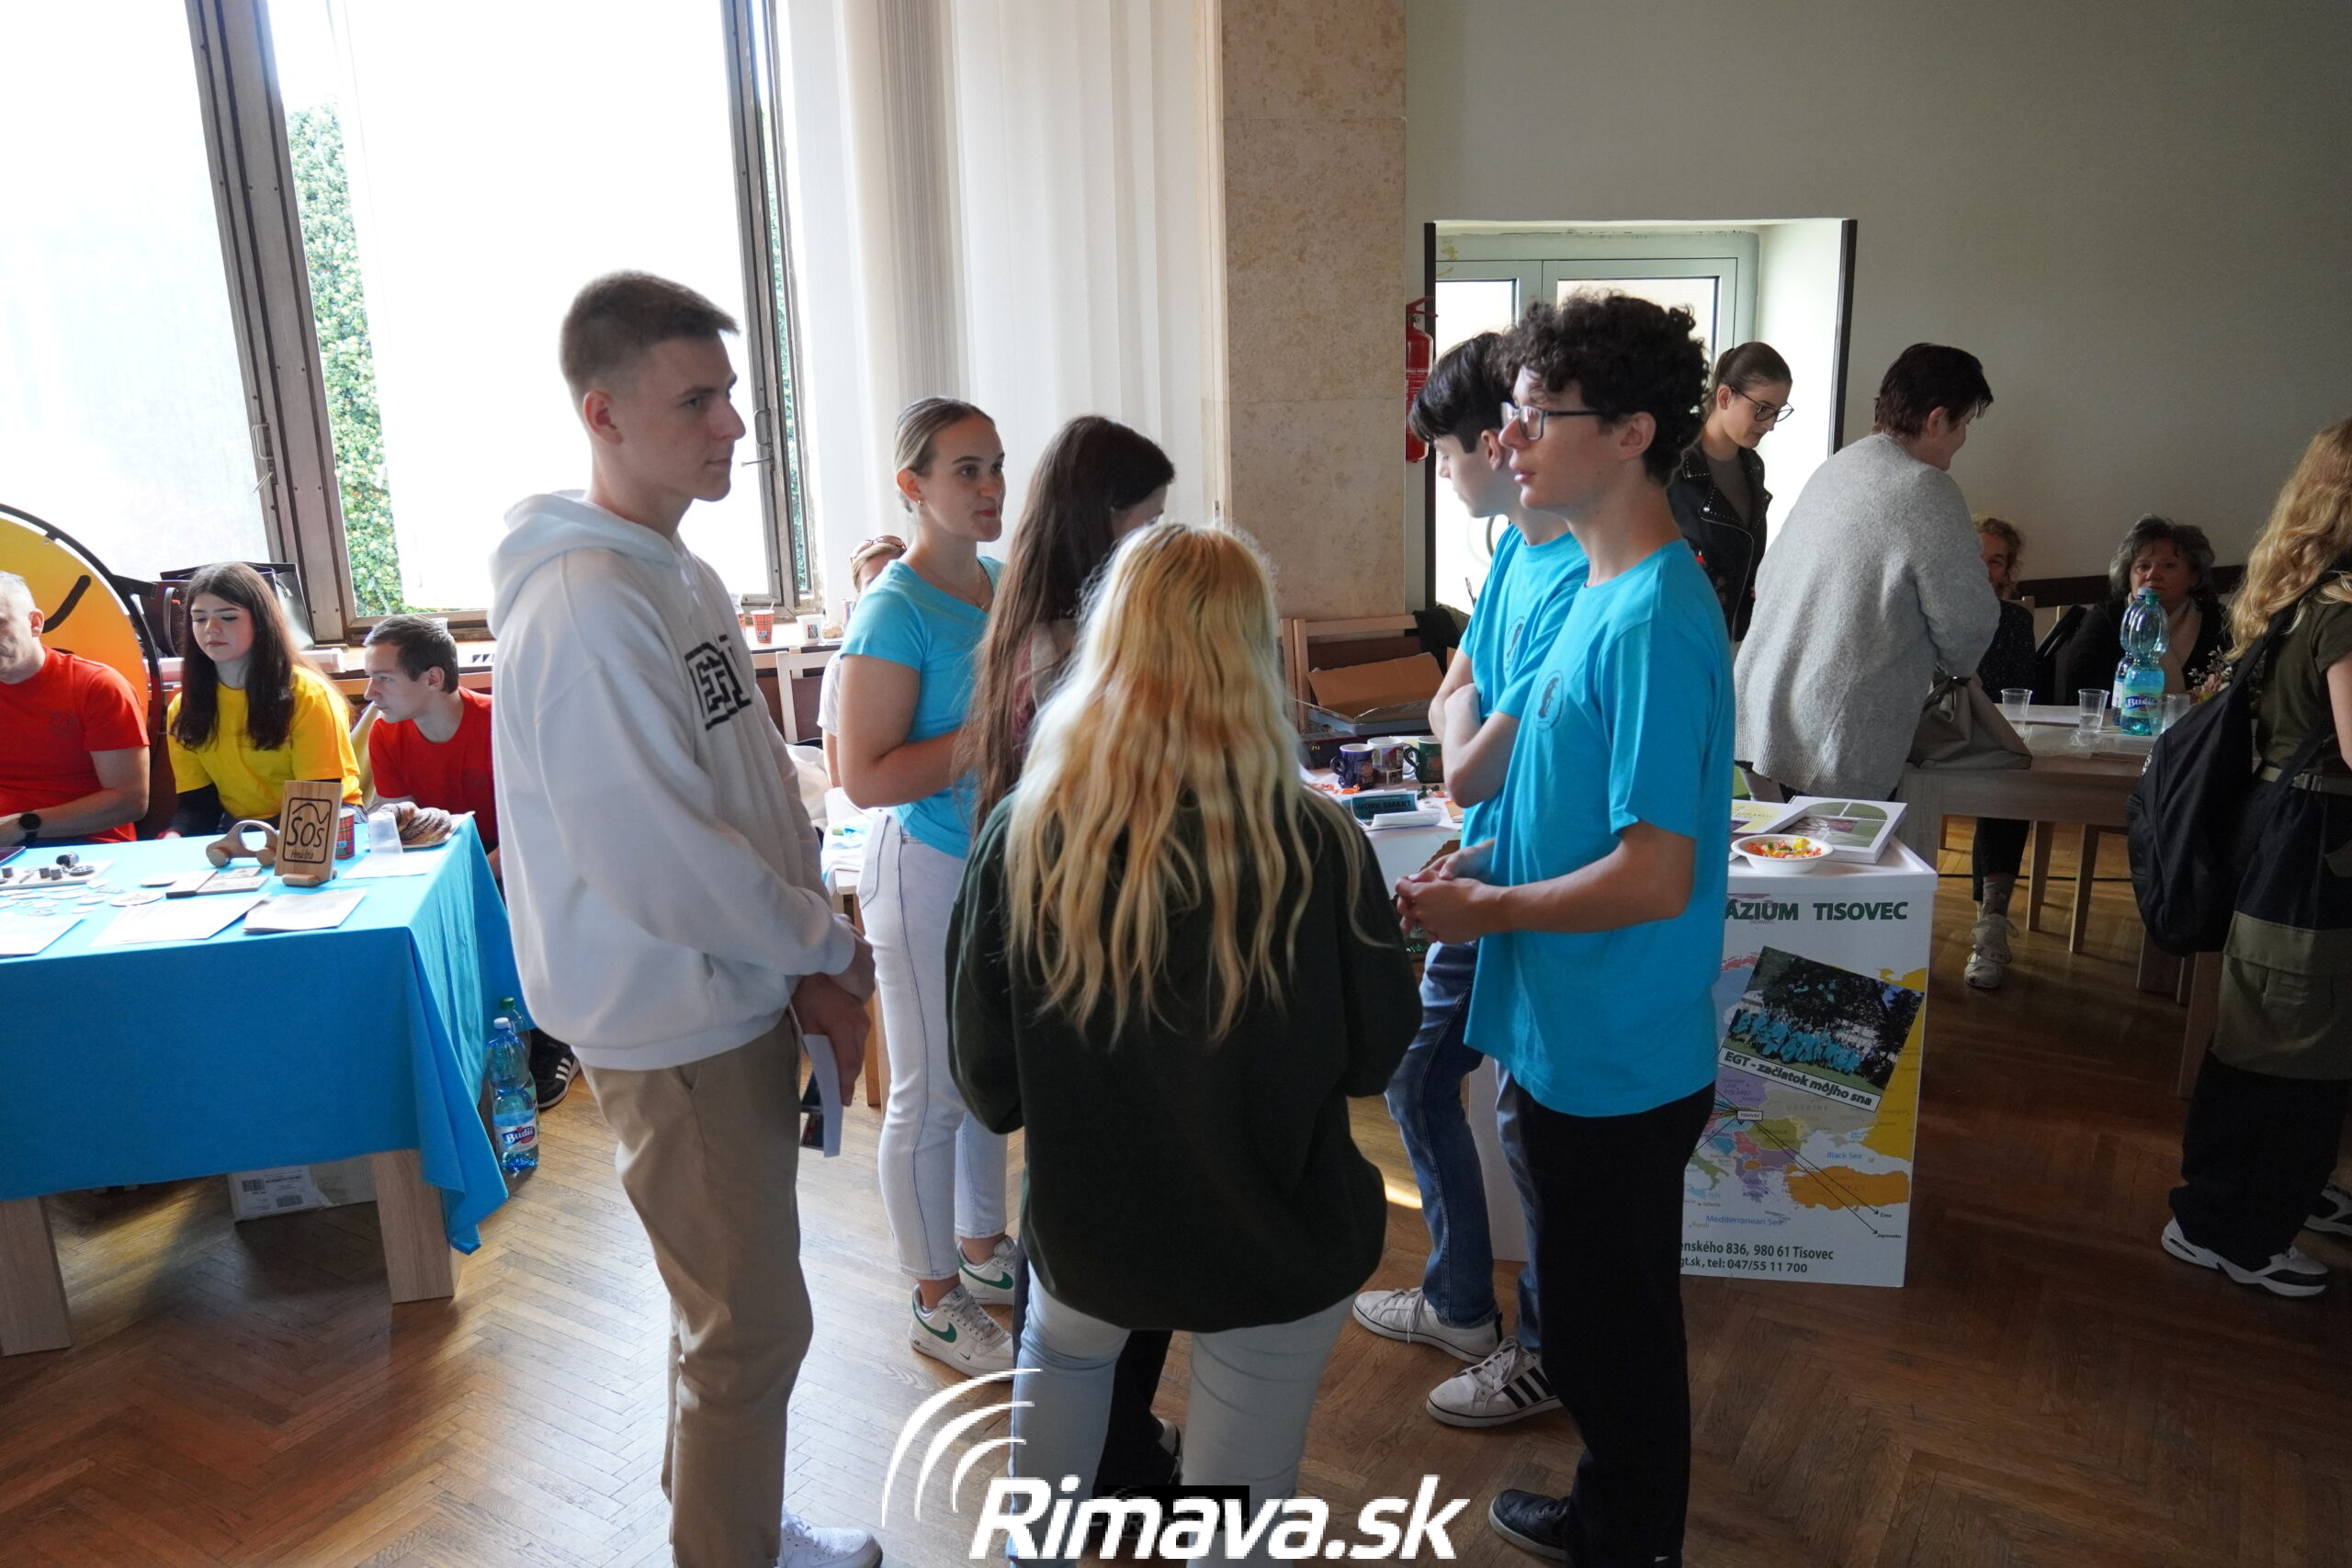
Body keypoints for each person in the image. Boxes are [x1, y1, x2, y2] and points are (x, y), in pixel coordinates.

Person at [487, 271, 880, 1568]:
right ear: (601, 413)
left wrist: (808, 937)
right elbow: (658, 858)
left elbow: (744, 780)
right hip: (676, 1013)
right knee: (752, 1324)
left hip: (731, 987)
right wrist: (824, 944)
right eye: (696, 400)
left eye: (731, 396)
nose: (731, 427)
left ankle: (729, 1521)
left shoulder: (672, 569)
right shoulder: (585, 601)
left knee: (719, 1304)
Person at [951, 521, 1416, 1564]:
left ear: (1109, 647)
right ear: (1251, 655)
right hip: (1276, 1237)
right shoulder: (1320, 844)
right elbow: (1372, 1061)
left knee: (1058, 1407)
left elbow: (988, 1086)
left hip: (1092, 1236)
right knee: (1237, 1518)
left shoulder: (1023, 837)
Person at [1398, 293, 1729, 1566]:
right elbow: (1571, 809)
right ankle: (1613, 1511)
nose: (1510, 440)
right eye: (1512, 414)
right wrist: (1488, 860)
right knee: (1591, 1317)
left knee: (1613, 1327)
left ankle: (1628, 1534)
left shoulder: (1652, 616)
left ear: (1633, 432)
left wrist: (1488, 907)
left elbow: (1653, 873)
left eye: (1540, 416)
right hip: (1564, 1025)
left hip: (1616, 1047)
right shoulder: (1593, 585)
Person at [1352, 333, 1584, 1431]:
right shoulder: (1515, 558)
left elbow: (1465, 757)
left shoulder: (1581, 575)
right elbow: (1454, 694)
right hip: (1488, 859)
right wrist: (1463, 718)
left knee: (1528, 1123)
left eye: (1447, 455)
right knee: (1425, 1078)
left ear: (1499, 442)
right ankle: (1460, 1303)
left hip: (1536, 879)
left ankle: (1536, 1344)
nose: (1447, 476)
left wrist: (1463, 723)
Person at [961, 413, 1181, 1506]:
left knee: (1080, 1229)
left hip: (1066, 959)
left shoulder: (1032, 623)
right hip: (1101, 961)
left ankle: (1094, 1452)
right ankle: (1111, 1460)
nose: (1158, 538)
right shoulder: (1076, 651)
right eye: (1148, 518)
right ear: (1105, 520)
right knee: (1121, 1245)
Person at [834, 397, 1017, 1374]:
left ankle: (982, 1249)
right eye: (965, 470)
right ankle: (934, 1299)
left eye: (996, 466)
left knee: (985, 1074)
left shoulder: (999, 582)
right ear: (912, 486)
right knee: (930, 1091)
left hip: (998, 862)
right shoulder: (893, 609)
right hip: (924, 866)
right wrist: (988, 735)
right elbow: (862, 777)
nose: (990, 488)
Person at [2165, 417, 2352, 1299]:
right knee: (2291, 1036)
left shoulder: (2303, 591)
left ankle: (2269, 1195)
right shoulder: (2344, 610)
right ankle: (2227, 1226)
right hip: (2313, 849)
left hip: (2289, 838)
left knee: (2280, 1026)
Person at [1735, 344, 2000, 802]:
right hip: (1830, 739)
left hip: (1758, 716)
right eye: (1964, 425)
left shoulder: (1838, 466)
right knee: (1843, 851)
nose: (1962, 440)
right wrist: (1959, 664)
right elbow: (1967, 625)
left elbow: (1768, 575)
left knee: (1782, 848)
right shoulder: (1926, 488)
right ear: (1937, 420)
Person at [362, 615, 579, 1109]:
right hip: (450, 855)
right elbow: (405, 825)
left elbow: (541, 830)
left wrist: (471, 877)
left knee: (524, 898)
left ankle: (555, 1034)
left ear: (432, 678)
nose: (371, 693)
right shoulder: (386, 734)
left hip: (523, 853)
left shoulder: (500, 722)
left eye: (384, 678)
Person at [164, 561, 359, 836]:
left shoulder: (309, 696)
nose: (211, 628)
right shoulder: (183, 707)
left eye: (228, 617)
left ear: (261, 621)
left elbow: (317, 799)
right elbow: (198, 806)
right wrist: (174, 836)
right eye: (199, 619)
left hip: (329, 818)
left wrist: (255, 841)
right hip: (243, 827)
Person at [0, 570, 149, 846]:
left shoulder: (97, 686)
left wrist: (21, 826)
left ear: (35, 624)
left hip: (88, 846)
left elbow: (130, 801)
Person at [1665, 340, 1792, 639]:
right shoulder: (1672, 468)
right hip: (1682, 635)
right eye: (1762, 409)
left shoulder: (1753, 467)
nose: (1771, 424)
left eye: (1777, 411)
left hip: (1739, 639)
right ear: (1724, 397)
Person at [1965, 516, 2039, 990]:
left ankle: (1991, 918)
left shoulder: (2013, 621)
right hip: (1923, 736)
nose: (1985, 568)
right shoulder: (1920, 609)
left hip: (1987, 735)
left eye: (1996, 561)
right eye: (1977, 555)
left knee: (2011, 777)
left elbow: (2019, 692)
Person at [2053, 514, 2228, 699]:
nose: (2152, 574)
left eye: (2168, 566)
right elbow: (2082, 691)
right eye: (2143, 566)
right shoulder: (2107, 618)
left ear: (2194, 575)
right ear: (2128, 574)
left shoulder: (2218, 620)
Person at [818, 534, 906, 789]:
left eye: (895, 579)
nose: (888, 592)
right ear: (860, 599)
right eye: (874, 584)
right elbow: (838, 777)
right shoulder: (842, 669)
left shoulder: (938, 655)